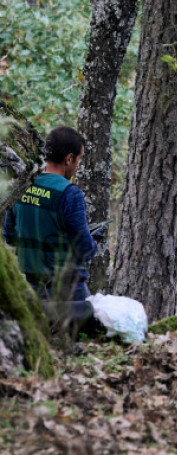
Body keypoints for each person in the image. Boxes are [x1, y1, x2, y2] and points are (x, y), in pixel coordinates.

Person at [3, 127, 100, 333]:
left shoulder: (22, 186)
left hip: (33, 286)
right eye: (79, 160)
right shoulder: (70, 194)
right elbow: (83, 249)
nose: (78, 165)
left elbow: (9, 236)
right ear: (69, 158)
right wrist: (93, 242)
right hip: (69, 292)